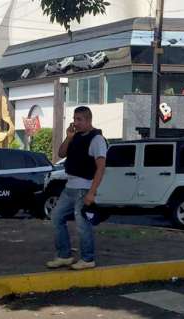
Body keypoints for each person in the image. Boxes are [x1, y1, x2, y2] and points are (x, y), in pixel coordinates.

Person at [46, 106, 107, 270]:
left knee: (82, 223)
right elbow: (61, 153)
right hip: (70, 186)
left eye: (79, 119)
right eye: (74, 119)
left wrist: (92, 192)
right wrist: (69, 137)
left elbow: (101, 167)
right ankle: (64, 255)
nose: (76, 123)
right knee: (56, 217)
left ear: (88, 120)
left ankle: (88, 258)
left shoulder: (97, 139)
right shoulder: (76, 136)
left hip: (84, 187)